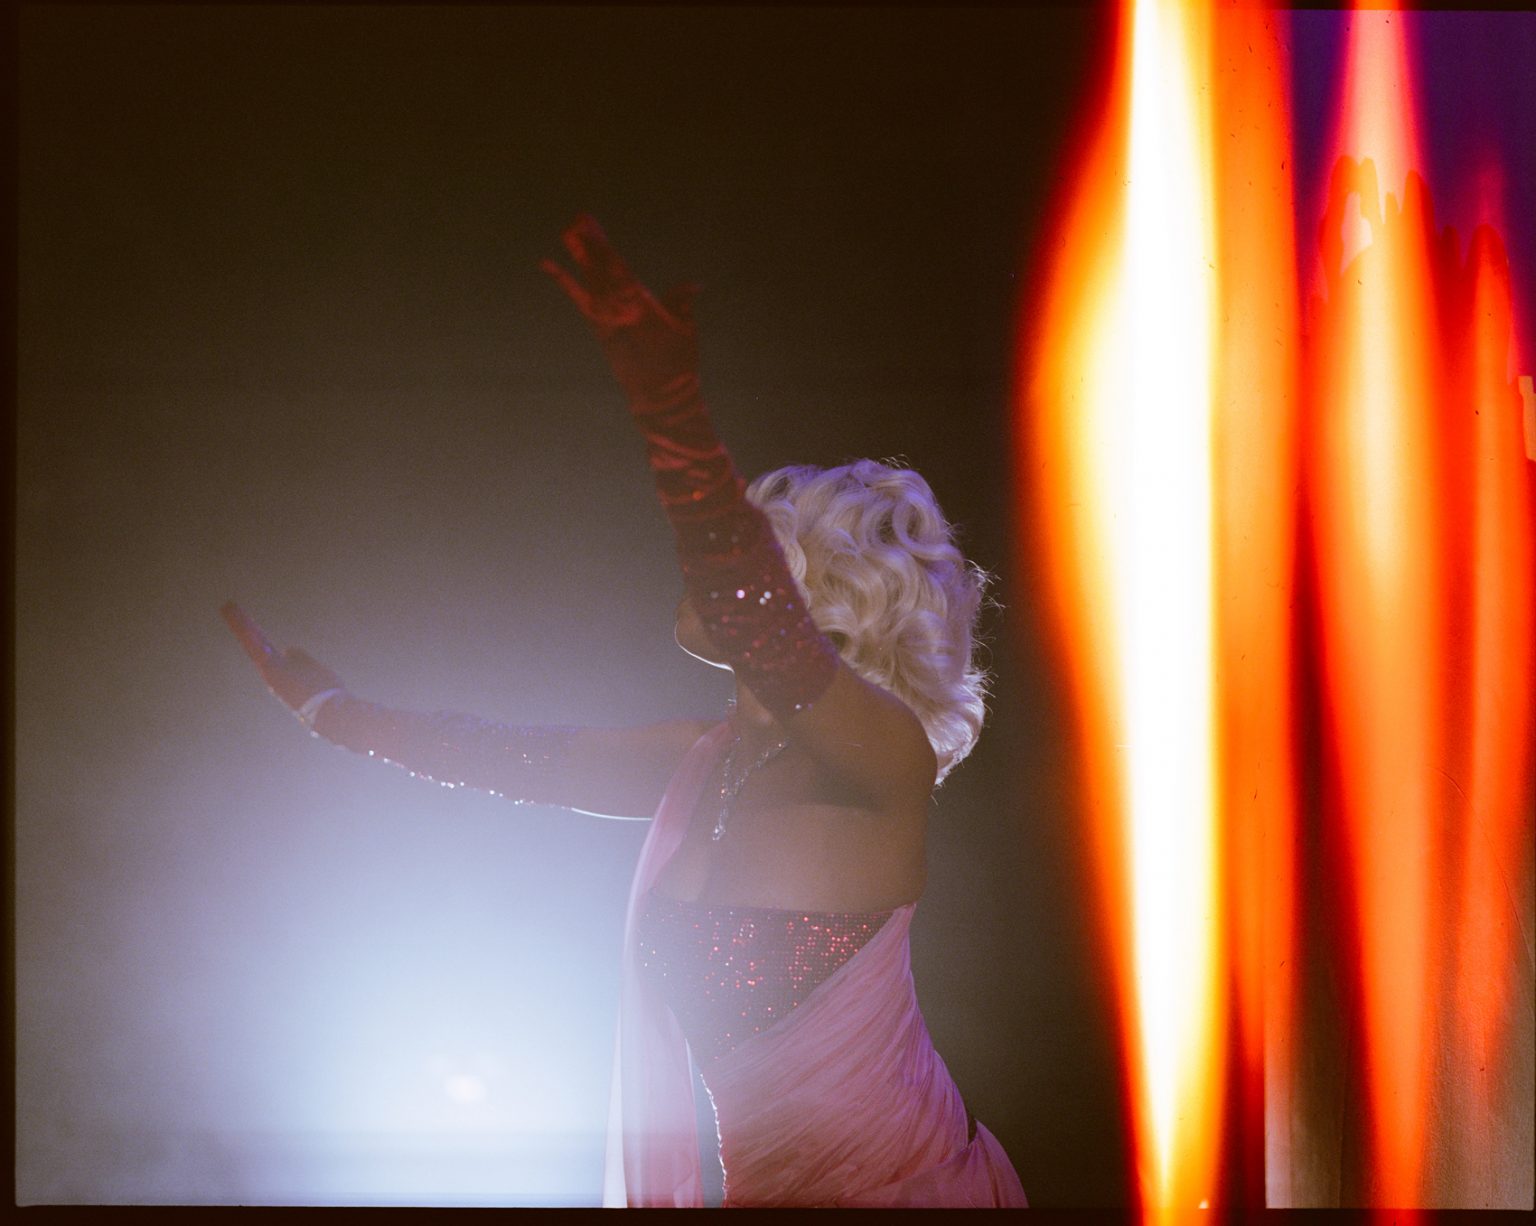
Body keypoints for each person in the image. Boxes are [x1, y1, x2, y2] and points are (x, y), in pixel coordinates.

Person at [223, 216, 1027, 1207]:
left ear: (811, 597)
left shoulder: (882, 762)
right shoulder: (707, 763)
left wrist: (667, 399)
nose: (700, 562)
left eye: (747, 542)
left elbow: (750, 605)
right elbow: (510, 757)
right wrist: (330, 709)